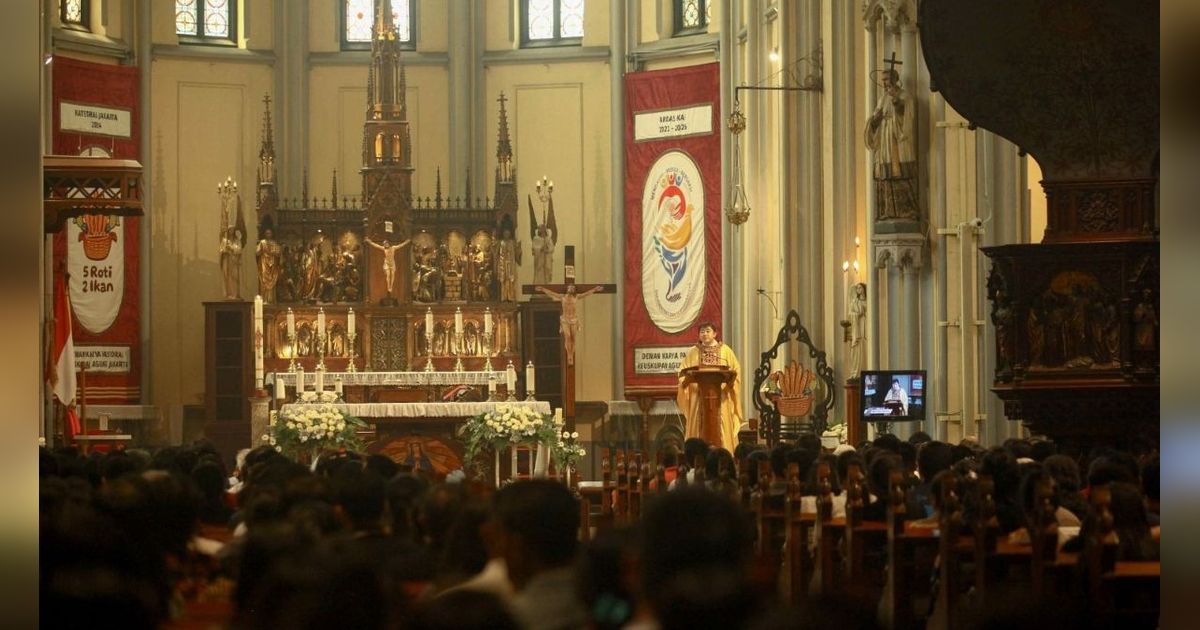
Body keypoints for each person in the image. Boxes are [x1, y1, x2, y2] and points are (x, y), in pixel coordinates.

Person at [492, 480, 587, 630]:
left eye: (499, 539)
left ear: (517, 546)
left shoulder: (508, 620)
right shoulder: (605, 604)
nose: (497, 551)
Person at [676, 322, 744, 451]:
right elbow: (682, 373)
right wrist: (686, 380)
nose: (704, 334)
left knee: (722, 425)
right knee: (698, 426)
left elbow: (736, 371)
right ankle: (696, 456)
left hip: (721, 396)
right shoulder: (693, 352)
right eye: (702, 331)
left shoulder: (725, 351)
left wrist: (730, 382)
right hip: (698, 396)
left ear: (715, 333)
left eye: (707, 331)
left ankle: (725, 454)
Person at [865, 67, 919, 221]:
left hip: (898, 141)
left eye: (886, 79)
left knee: (900, 173)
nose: (884, 83)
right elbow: (875, 119)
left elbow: (907, 117)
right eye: (882, 80)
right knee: (884, 175)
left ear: (895, 79)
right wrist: (875, 120)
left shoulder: (905, 96)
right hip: (885, 140)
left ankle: (906, 211)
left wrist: (897, 103)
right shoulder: (882, 99)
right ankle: (887, 211)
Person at [537, 284, 602, 366]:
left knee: (573, 338)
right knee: (567, 336)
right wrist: (543, 289)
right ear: (567, 289)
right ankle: (569, 355)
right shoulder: (562, 297)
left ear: (574, 290)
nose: (571, 288)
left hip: (574, 320)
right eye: (570, 287)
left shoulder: (576, 297)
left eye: (573, 288)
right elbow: (551, 293)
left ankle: (572, 353)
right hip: (565, 320)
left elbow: (586, 293)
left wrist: (595, 289)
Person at [494, 225, 522, 302]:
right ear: (503, 234)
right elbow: (496, 253)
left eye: (508, 233)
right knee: (503, 281)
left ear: (509, 234)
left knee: (510, 281)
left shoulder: (512, 242)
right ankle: (503, 297)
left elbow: (517, 253)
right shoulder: (500, 242)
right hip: (502, 264)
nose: (506, 235)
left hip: (511, 264)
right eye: (505, 233)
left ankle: (510, 297)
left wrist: (519, 250)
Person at [255, 227, 282, 302]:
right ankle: (264, 299)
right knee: (264, 281)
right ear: (265, 234)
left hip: (272, 265)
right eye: (267, 233)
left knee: (272, 281)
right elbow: (257, 252)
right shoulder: (262, 242)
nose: (268, 234)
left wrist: (275, 253)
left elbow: (278, 253)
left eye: (269, 233)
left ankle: (271, 299)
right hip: (264, 263)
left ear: (272, 234)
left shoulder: (274, 243)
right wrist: (261, 251)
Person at [846, 282, 867, 377]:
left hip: (864, 326)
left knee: (864, 348)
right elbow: (850, 313)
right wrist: (856, 315)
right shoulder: (855, 301)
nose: (858, 290)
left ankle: (865, 368)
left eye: (860, 288)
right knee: (855, 349)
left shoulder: (867, 301)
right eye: (857, 288)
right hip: (856, 328)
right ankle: (855, 372)